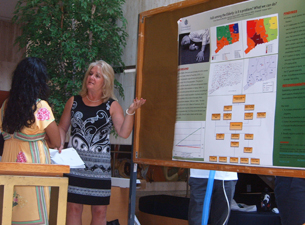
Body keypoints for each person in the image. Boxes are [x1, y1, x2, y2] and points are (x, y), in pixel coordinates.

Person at [58, 60, 146, 225]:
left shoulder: (111, 105)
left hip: (100, 169)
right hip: (75, 166)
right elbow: (62, 128)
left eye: (97, 75)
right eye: (90, 74)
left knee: (99, 211)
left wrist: (131, 111)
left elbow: (124, 132)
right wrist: (61, 146)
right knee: (73, 208)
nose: (91, 77)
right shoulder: (74, 101)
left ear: (105, 81)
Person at [0, 57, 61, 224]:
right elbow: (56, 141)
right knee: (36, 214)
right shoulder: (40, 106)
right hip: (33, 166)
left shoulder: (6, 106)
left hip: (9, 166)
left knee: (10, 214)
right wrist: (41, 138)